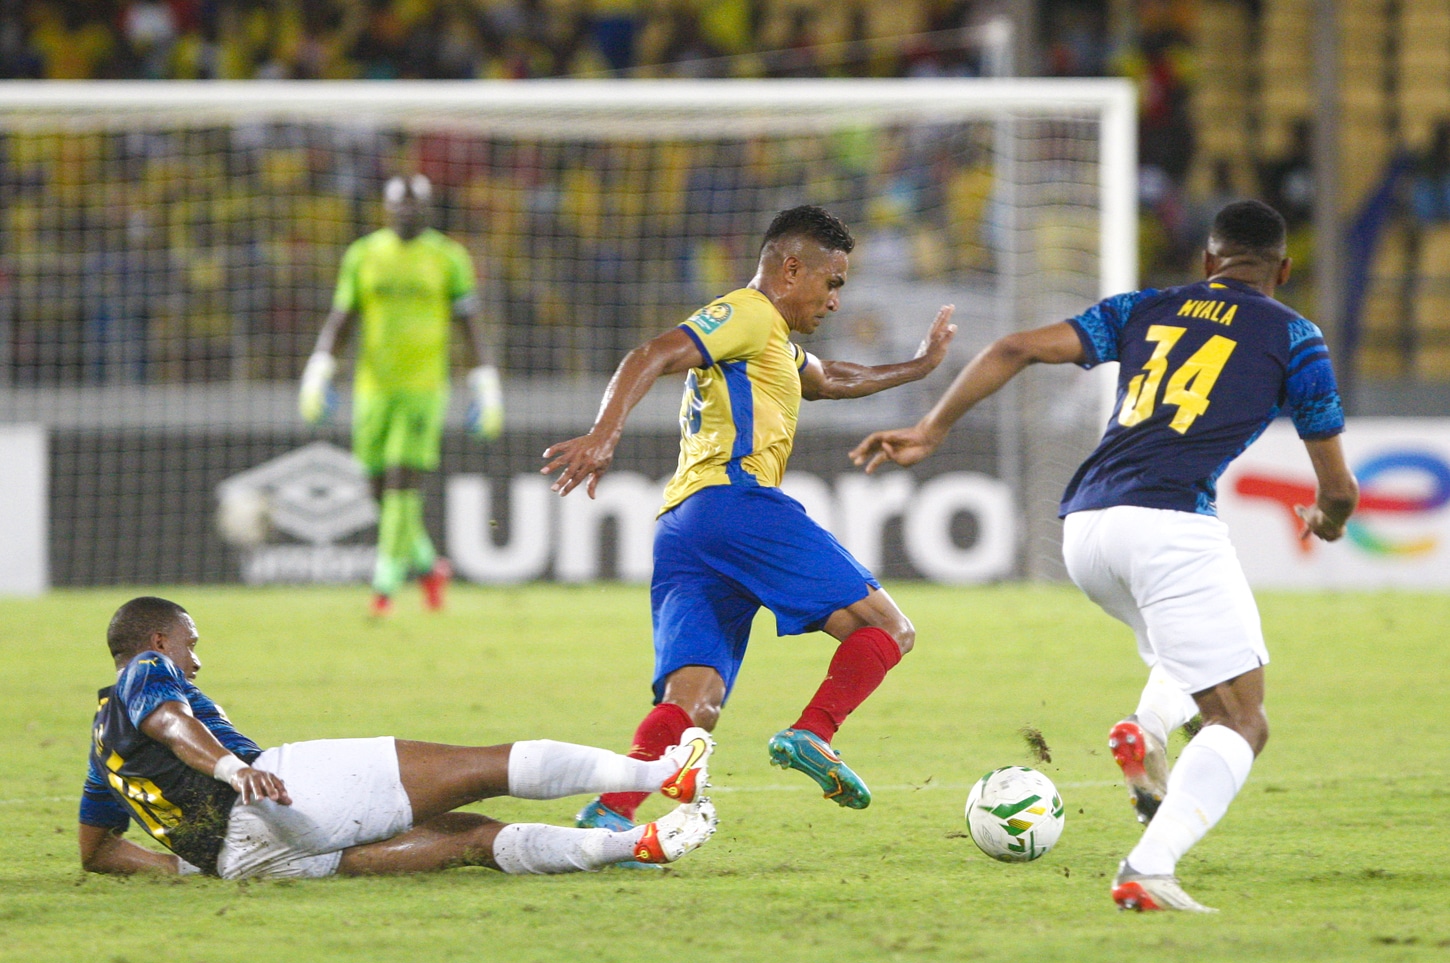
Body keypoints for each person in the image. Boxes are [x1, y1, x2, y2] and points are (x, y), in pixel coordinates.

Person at [851, 200, 1359, 912]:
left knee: (1190, 657)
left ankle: (1147, 730)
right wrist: (1327, 520)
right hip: (1170, 526)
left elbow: (1014, 348)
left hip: (1086, 528)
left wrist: (931, 429)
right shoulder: (1295, 337)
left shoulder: (1144, 307)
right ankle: (1149, 867)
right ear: (1284, 269)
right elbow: (1338, 488)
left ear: (1208, 261)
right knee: (1242, 719)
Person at [541, 205, 956, 838]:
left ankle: (609, 813)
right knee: (888, 629)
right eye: (832, 283)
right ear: (791, 270)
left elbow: (832, 378)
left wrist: (919, 367)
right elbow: (651, 353)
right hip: (735, 503)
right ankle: (813, 733)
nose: (835, 301)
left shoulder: (774, 343)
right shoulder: (748, 313)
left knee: (695, 701)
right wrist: (604, 434)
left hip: (684, 525)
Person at [79, 597, 717, 879]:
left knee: (470, 841)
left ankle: (637, 844)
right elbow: (172, 721)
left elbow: (97, 852)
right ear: (158, 641)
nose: (195, 662)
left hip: (247, 864)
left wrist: (184, 864)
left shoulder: (100, 744)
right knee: (481, 767)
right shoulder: (147, 670)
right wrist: (233, 770)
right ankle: (662, 774)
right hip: (275, 796)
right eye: (190, 644)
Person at [299, 173, 504, 617]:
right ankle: (429, 568)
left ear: (428, 209)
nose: (406, 212)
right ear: (387, 208)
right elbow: (342, 317)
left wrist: (486, 386)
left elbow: (469, 326)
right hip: (372, 388)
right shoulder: (364, 255)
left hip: (424, 388)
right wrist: (318, 371)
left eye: (415, 205)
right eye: (399, 205)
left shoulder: (448, 257)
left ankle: (384, 584)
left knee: (400, 481)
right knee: (378, 488)